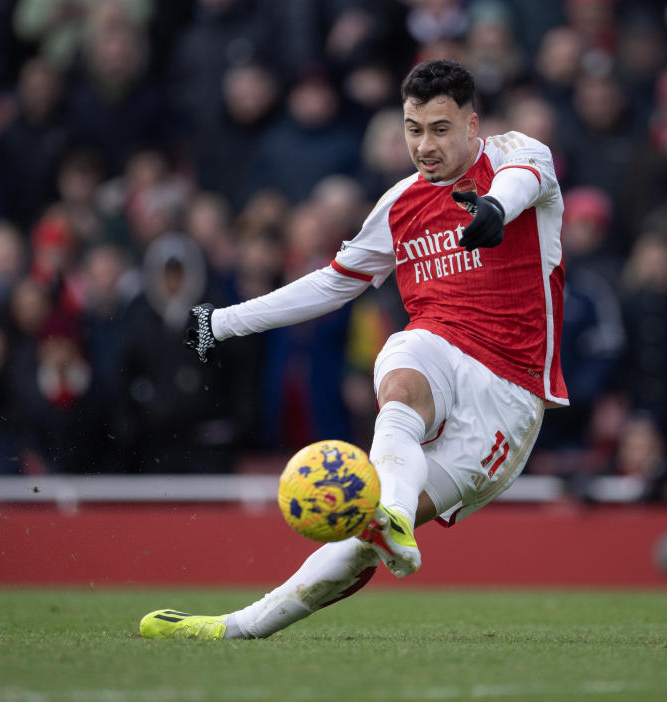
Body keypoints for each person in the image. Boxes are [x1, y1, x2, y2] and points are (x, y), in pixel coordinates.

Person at [139, 59, 567, 640]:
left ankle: (341, 554)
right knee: (401, 358)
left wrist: (493, 208)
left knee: (360, 545)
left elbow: (520, 185)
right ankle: (231, 629)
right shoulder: (399, 206)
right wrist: (222, 321)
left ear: (472, 125)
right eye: (413, 129)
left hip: (509, 398)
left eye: (441, 129)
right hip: (438, 348)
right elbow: (331, 284)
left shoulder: (521, 153)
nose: (425, 144)